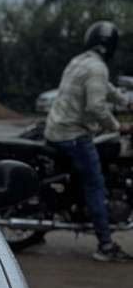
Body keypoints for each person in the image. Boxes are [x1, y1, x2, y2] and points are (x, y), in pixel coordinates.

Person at [45, 20, 132, 262]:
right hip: (72, 136)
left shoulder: (81, 61)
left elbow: (106, 88)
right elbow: (96, 108)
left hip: (58, 129)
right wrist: (119, 126)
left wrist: (127, 102)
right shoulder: (97, 68)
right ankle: (105, 245)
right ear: (111, 45)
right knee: (96, 183)